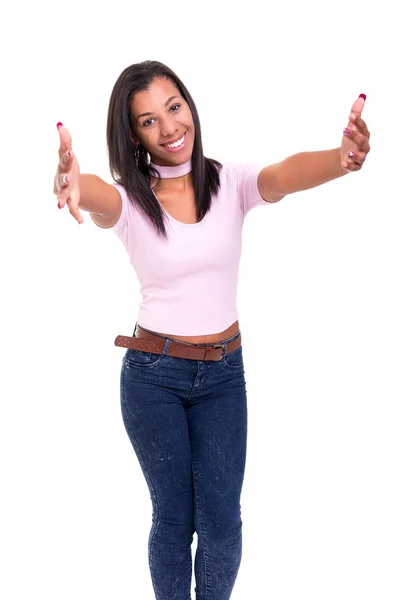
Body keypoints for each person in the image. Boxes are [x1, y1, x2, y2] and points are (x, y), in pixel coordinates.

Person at [53, 60, 370, 600]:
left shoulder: (232, 183)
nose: (170, 127)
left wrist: (344, 160)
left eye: (174, 108)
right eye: (149, 121)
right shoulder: (131, 202)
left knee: (223, 523)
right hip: (154, 378)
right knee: (174, 522)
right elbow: (97, 195)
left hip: (225, 374)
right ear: (134, 135)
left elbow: (286, 173)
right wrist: (70, 182)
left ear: (189, 106)